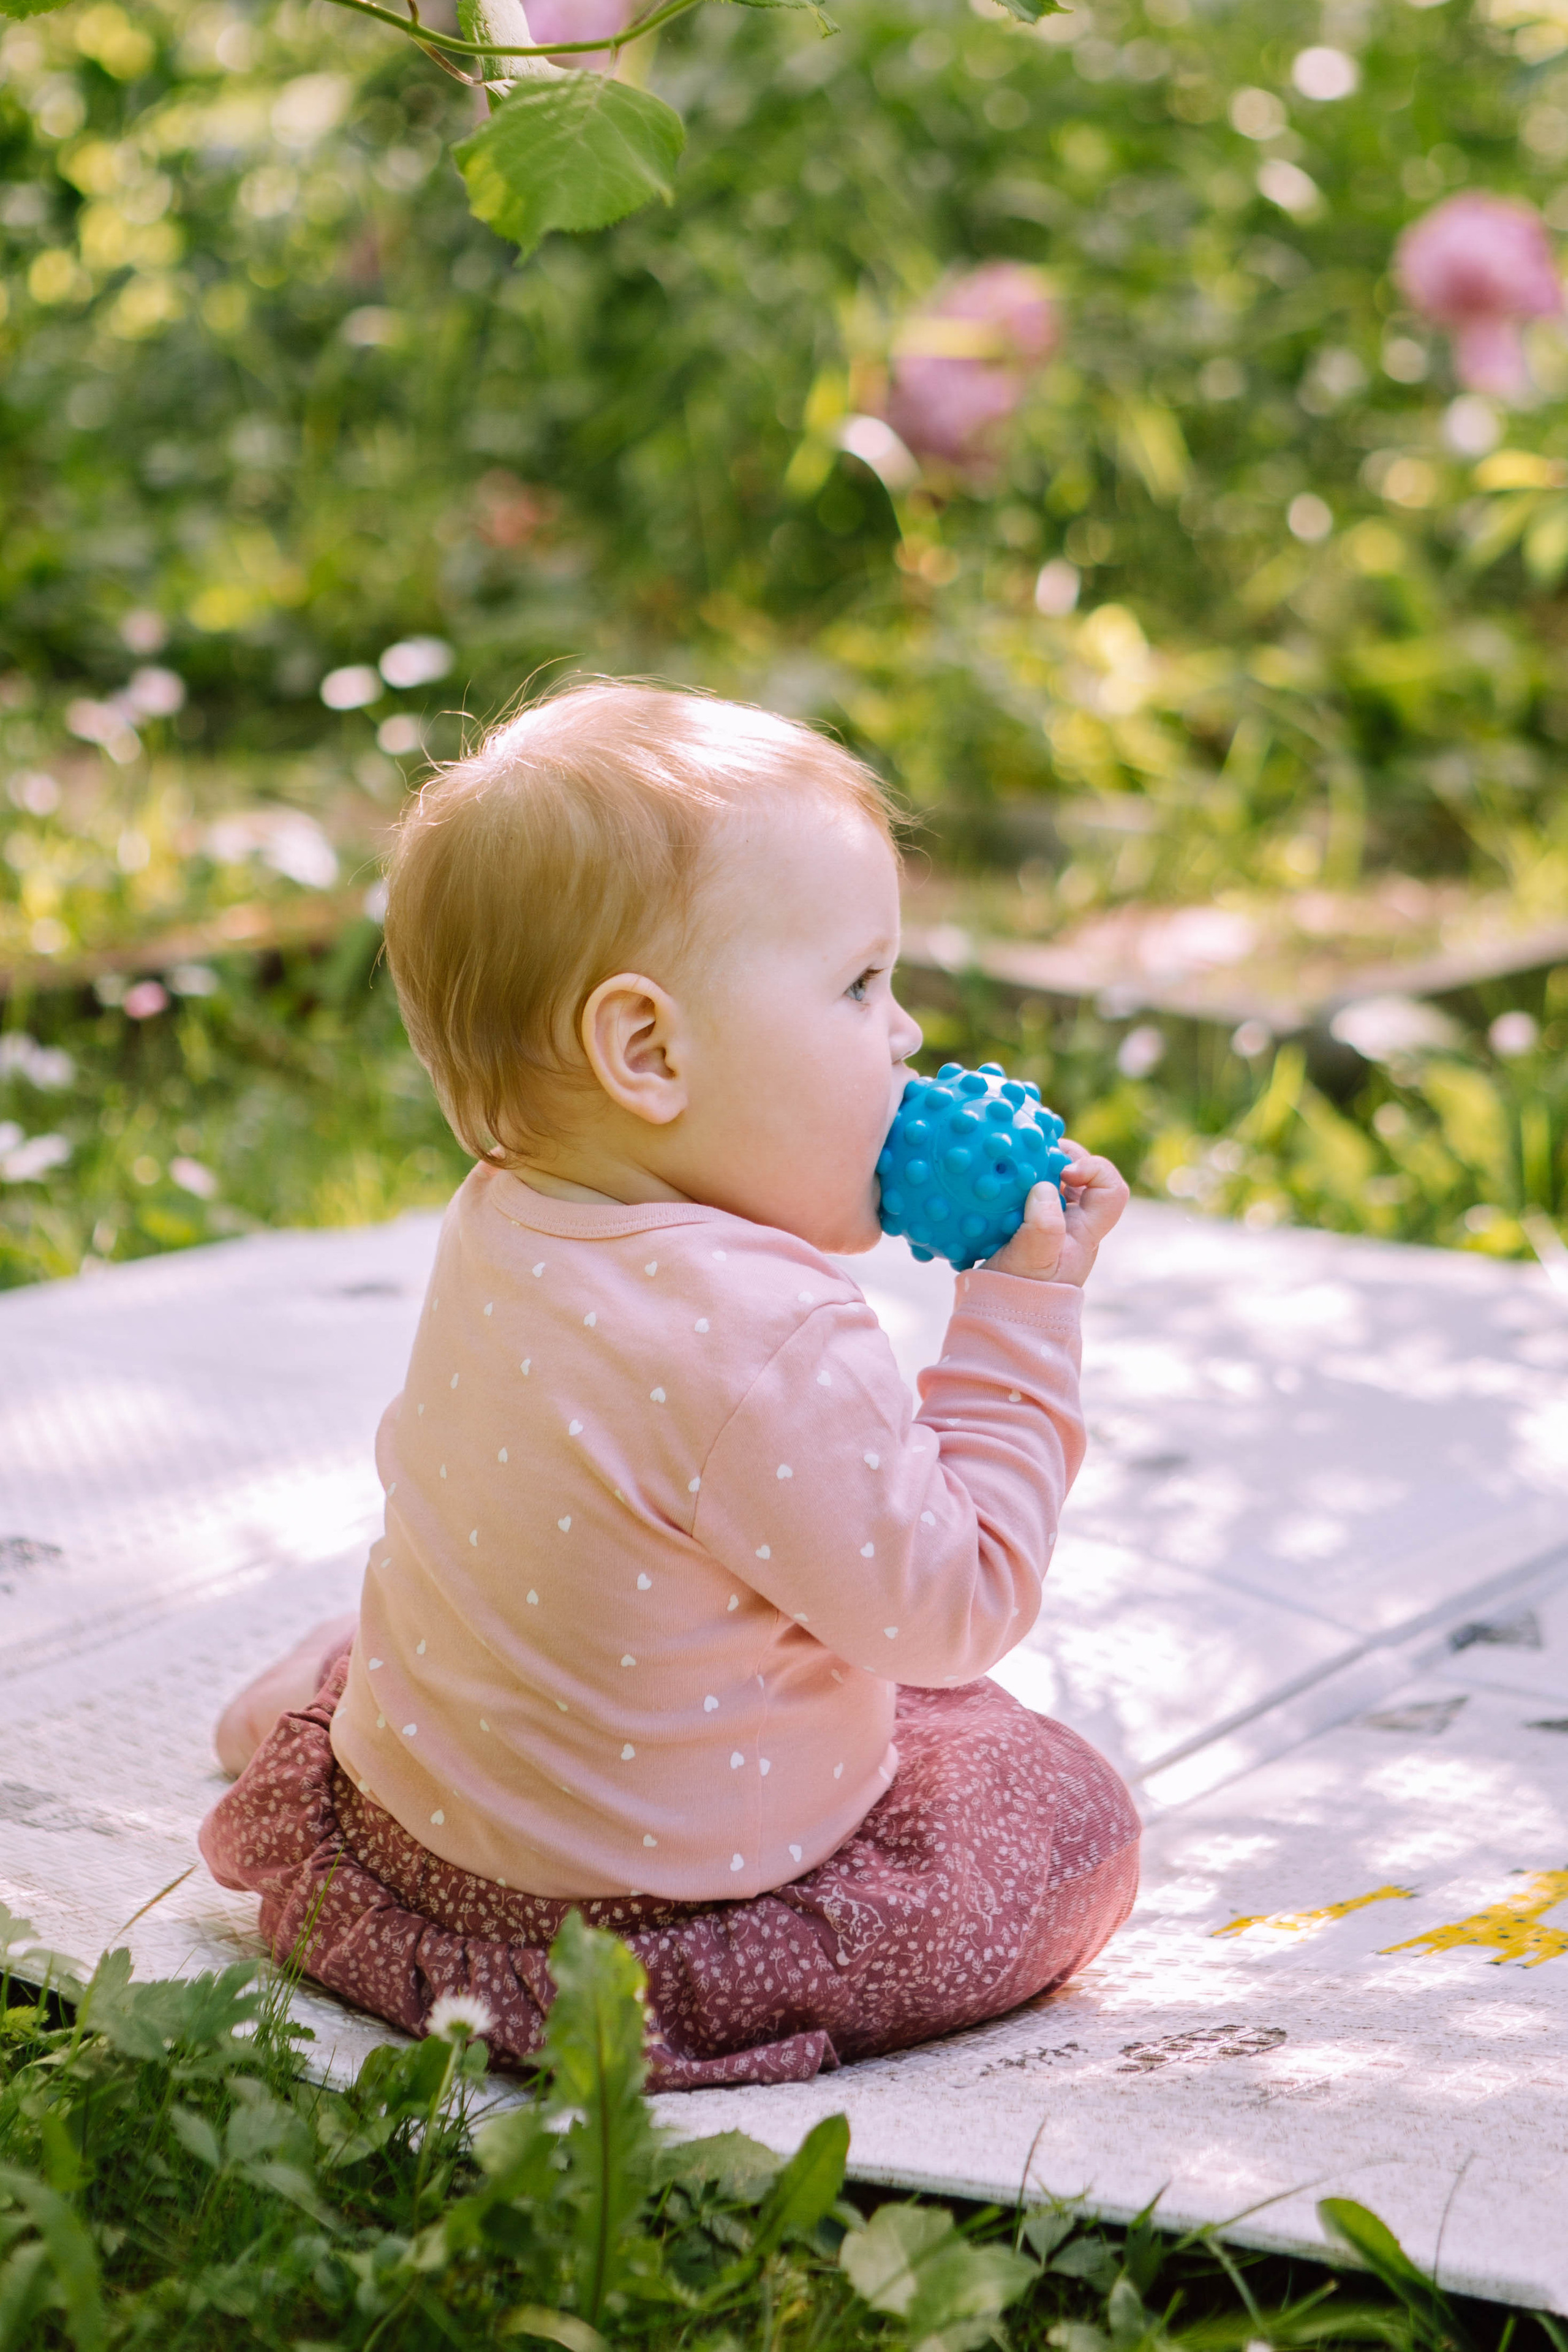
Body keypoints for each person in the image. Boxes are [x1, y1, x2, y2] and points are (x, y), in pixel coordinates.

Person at [201, 680, 1139, 2089]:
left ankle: (322, 1704)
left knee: (522, 1606)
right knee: (1060, 1808)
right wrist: (1021, 1311)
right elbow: (954, 1612)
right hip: (642, 1945)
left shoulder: (500, 1213)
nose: (903, 1037)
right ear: (646, 1052)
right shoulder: (772, 1335)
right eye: (858, 985)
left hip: (400, 1859)